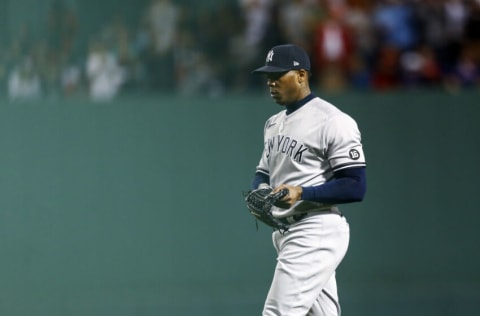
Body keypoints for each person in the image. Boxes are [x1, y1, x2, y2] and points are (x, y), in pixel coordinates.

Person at [249, 44, 367, 316]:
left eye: (279, 75)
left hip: (315, 229)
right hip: (286, 232)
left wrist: (302, 192)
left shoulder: (333, 121)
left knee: (277, 313)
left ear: (301, 75)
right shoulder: (273, 123)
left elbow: (355, 185)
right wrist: (261, 192)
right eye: (268, 76)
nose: (271, 82)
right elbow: (262, 174)